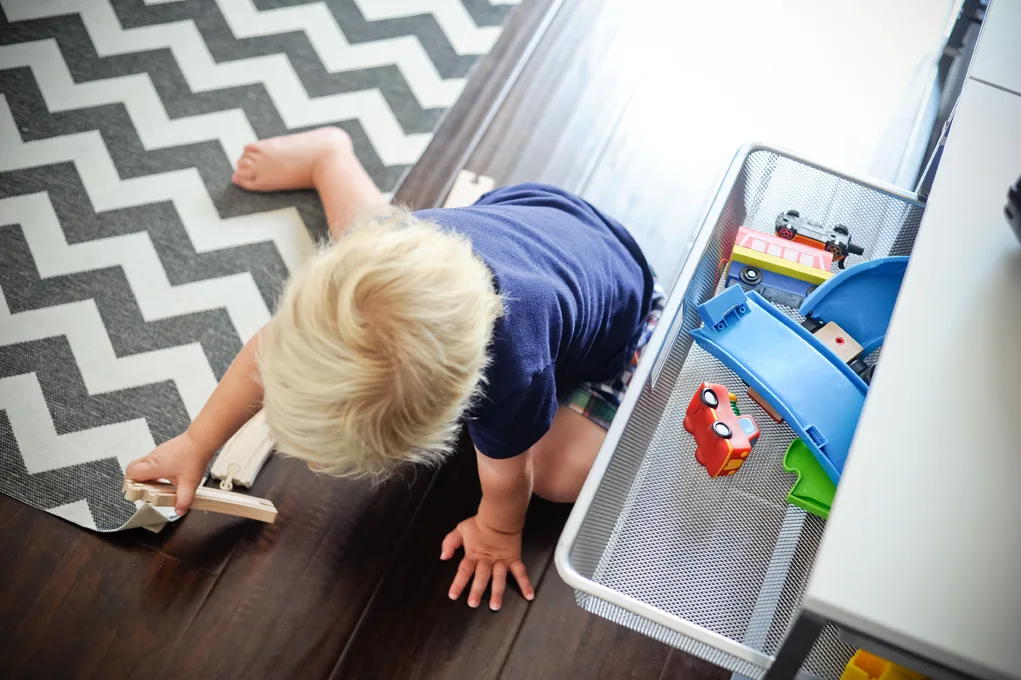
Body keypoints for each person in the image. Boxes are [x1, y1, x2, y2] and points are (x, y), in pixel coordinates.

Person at [124, 127, 664, 611]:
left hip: (624, 302)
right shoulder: (371, 260)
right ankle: (326, 156)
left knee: (557, 478)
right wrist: (197, 443)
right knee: (369, 231)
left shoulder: (513, 374)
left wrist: (498, 531)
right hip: (529, 217)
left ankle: (331, 157)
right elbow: (266, 351)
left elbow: (507, 479)